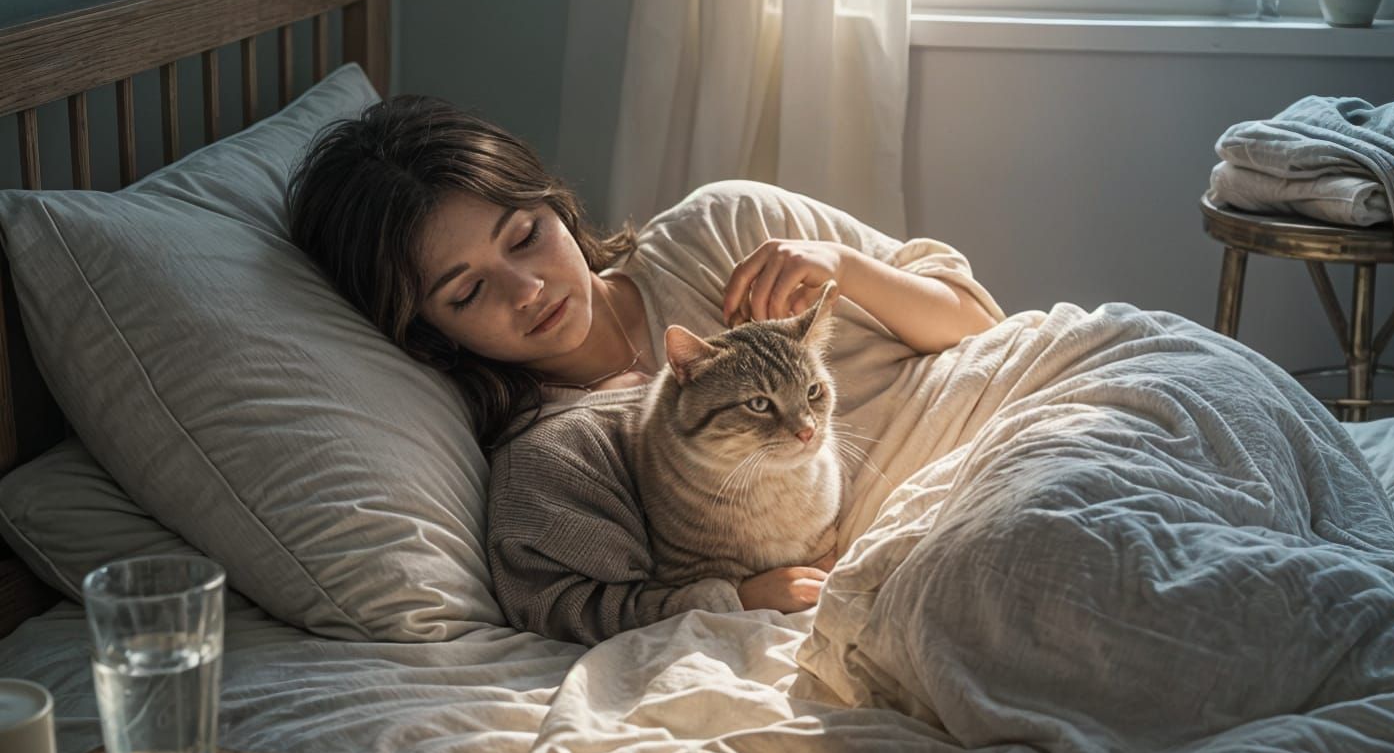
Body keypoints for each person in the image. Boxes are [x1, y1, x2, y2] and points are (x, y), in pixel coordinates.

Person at [287, 95, 1005, 630]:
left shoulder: (723, 226)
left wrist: (845, 268)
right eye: (468, 291)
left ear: (558, 207)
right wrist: (733, 599)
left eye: (526, 235)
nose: (527, 289)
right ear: (428, 333)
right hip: (935, 545)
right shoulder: (559, 457)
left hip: (1013, 416)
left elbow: (982, 324)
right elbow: (571, 604)